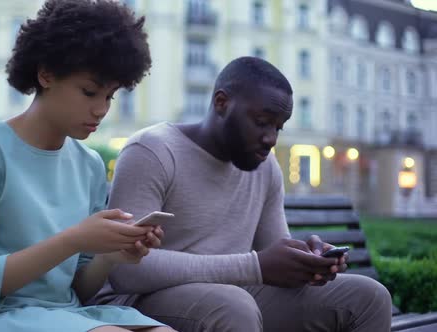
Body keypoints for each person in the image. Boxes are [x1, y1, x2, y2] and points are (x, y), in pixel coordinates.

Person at [91, 57, 393, 331]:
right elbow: (124, 271)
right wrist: (255, 266)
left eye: (279, 127)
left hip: (236, 295)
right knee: (233, 306)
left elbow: (272, 252)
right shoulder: (153, 150)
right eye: (262, 122)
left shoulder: (266, 166)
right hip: (140, 302)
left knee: (369, 297)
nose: (270, 138)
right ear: (221, 103)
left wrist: (306, 261)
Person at [0, 1, 176, 331]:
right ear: (46, 74)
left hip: (66, 316)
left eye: (110, 96)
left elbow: (78, 290)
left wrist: (110, 255)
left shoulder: (89, 165)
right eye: (90, 92)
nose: (101, 109)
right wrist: (74, 240)